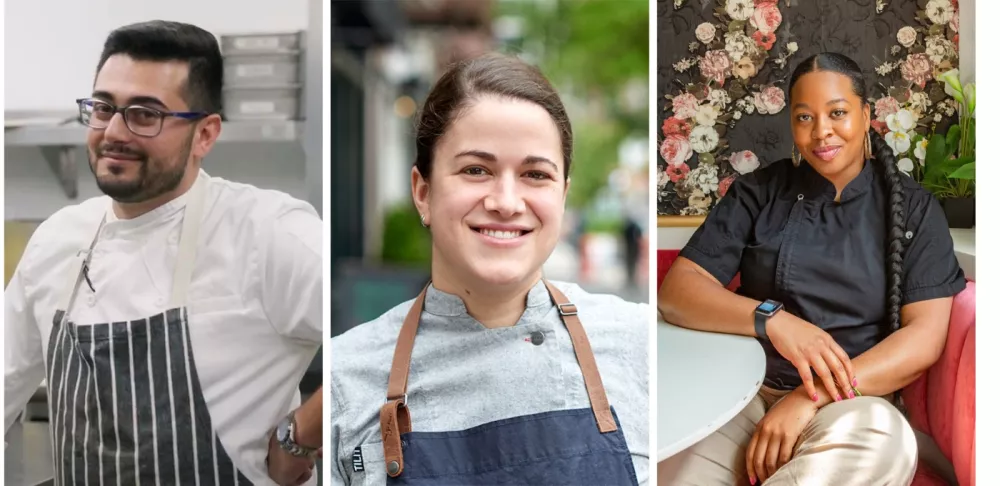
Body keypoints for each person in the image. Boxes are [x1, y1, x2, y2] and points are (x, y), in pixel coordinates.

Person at [3, 20, 323, 485]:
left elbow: (388, 346)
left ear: (206, 135)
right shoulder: (58, 239)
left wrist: (300, 435)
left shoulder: (267, 232)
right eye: (102, 107)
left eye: (145, 114)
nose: (114, 131)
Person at [328, 53, 650, 485]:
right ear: (423, 192)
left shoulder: (638, 343)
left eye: (535, 174)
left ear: (563, 196)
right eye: (476, 170)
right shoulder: (343, 381)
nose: (506, 201)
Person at [658, 52, 966, 485]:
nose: (821, 131)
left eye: (837, 113)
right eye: (804, 117)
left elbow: (923, 340)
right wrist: (775, 321)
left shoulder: (914, 209)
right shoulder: (759, 192)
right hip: (737, 390)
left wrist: (810, 396)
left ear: (865, 114)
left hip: (849, 402)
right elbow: (678, 291)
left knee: (887, 440)